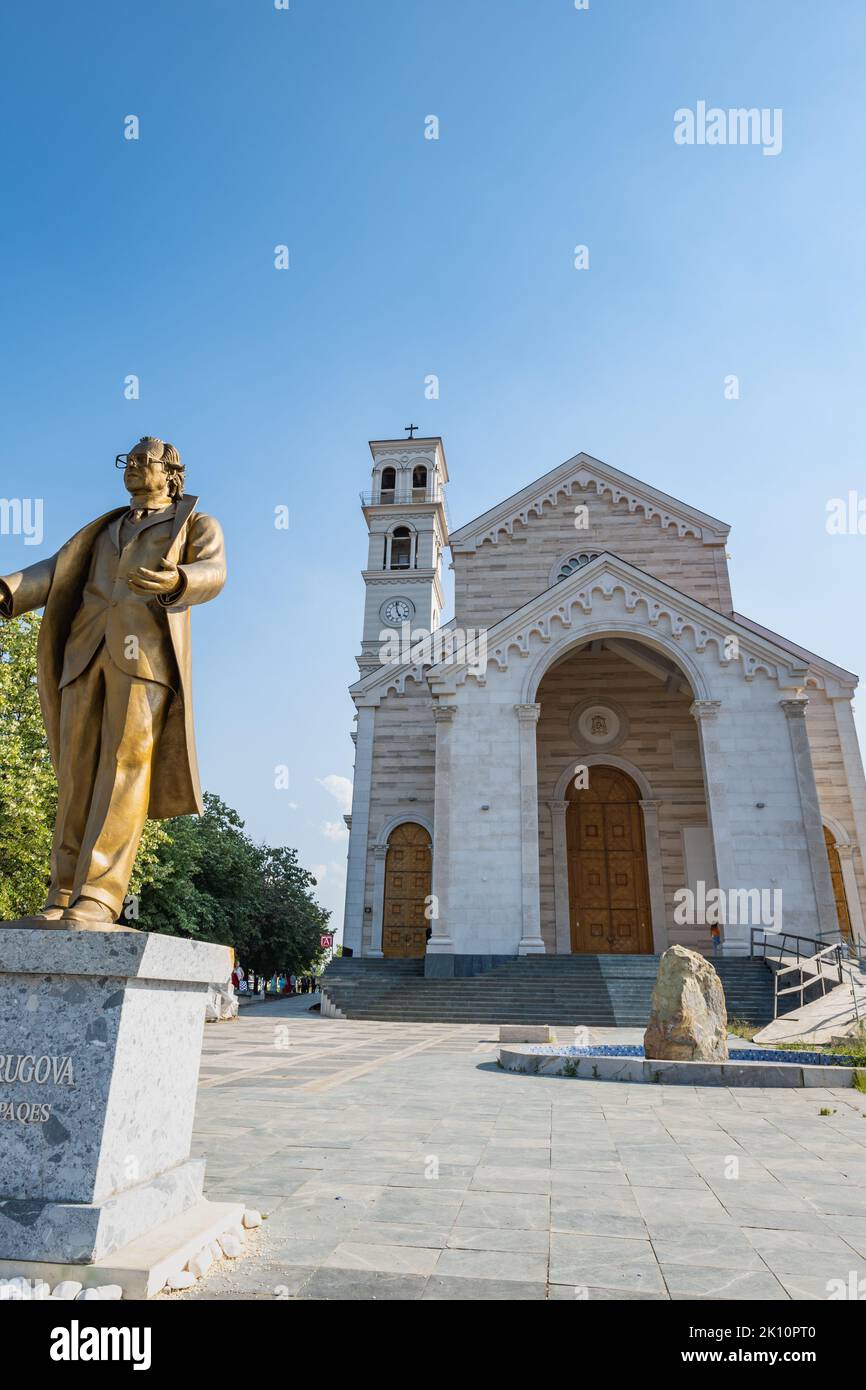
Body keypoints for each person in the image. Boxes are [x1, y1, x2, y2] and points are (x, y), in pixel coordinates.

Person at [0, 437, 226, 928]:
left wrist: (180, 581)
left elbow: (214, 571)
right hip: (84, 649)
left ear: (171, 474)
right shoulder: (105, 527)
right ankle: (61, 892)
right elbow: (58, 570)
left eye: (144, 461)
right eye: (128, 460)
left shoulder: (194, 523)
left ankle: (99, 896)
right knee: (75, 773)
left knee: (124, 768)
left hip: (144, 658)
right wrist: (8, 589)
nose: (132, 467)